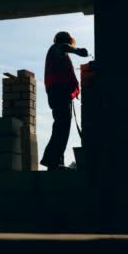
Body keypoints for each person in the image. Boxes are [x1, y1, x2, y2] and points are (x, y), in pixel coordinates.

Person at [40, 31, 89, 170]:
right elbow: (64, 47)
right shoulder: (56, 48)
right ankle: (51, 160)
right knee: (62, 126)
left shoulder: (58, 55)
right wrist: (79, 51)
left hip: (60, 93)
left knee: (61, 126)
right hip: (59, 92)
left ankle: (55, 161)